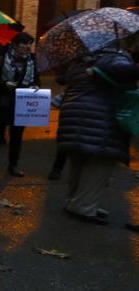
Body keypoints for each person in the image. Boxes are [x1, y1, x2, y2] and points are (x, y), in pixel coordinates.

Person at [56, 35, 138, 226]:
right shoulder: (116, 57)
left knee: (79, 158)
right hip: (101, 116)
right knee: (100, 161)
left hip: (73, 111)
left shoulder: (79, 60)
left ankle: (75, 201)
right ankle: (84, 206)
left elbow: (65, 79)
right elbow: (127, 75)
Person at [0, 32, 37, 177]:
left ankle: (13, 165)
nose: (28, 47)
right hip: (1, 102)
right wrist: (4, 84)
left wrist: (35, 86)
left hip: (21, 103)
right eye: (24, 43)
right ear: (14, 44)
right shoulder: (0, 58)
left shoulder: (31, 60)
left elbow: (35, 79)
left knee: (17, 135)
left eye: (30, 44)